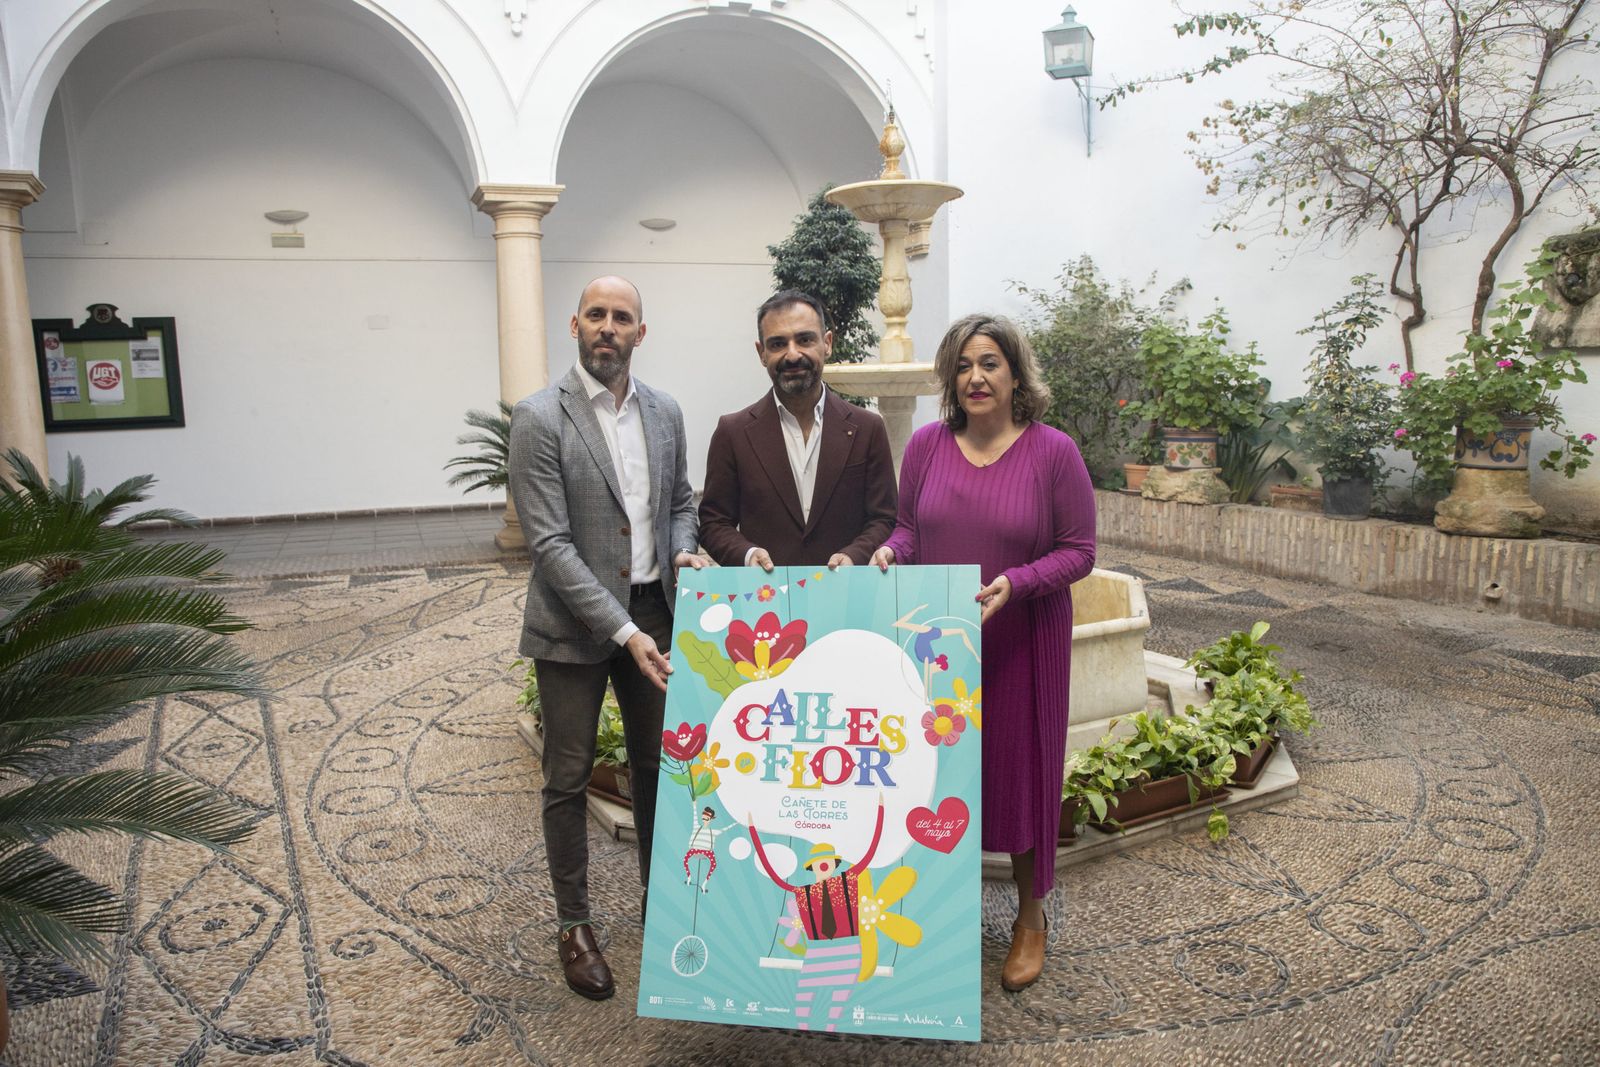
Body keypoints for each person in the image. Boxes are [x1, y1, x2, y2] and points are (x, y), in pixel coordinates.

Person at [870, 313, 1095, 993]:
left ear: (1015, 373)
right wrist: (889, 552)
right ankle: (938, 911)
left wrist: (1018, 582)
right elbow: (911, 529)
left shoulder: (1054, 452)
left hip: (1024, 640)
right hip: (942, 645)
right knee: (935, 777)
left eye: (990, 362)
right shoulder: (929, 447)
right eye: (964, 364)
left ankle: (1031, 917)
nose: (976, 376)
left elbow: (1081, 551)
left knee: (1020, 776)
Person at [509, 275, 703, 1001]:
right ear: (574, 324)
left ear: (640, 334)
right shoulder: (538, 418)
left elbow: (680, 502)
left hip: (658, 612)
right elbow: (551, 545)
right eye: (596, 314)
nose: (608, 327)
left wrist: (683, 549)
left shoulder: (665, 411)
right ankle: (576, 924)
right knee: (567, 776)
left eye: (622, 317)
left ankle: (662, 904)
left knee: (659, 767)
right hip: (572, 628)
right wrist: (622, 632)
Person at [699, 290, 897, 571]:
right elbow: (713, 522)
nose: (792, 355)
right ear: (761, 353)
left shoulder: (868, 428)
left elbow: (885, 518)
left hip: (848, 598)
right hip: (766, 602)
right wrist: (747, 553)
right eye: (778, 344)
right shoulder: (733, 432)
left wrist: (856, 554)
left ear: (827, 343)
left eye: (805, 340)